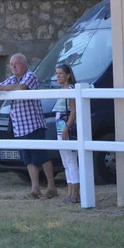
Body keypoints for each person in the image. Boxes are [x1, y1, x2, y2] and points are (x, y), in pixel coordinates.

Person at [0, 53, 58, 200]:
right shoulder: (11, 79)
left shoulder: (30, 76)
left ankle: (51, 187)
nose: (13, 67)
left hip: (34, 125)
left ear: (24, 64)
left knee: (42, 157)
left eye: (16, 64)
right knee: (29, 160)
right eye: (11, 64)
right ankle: (35, 189)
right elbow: (3, 87)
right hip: (20, 127)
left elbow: (21, 87)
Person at [53, 63, 79, 204]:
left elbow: (74, 111)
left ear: (68, 75)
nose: (58, 76)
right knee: (66, 162)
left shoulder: (70, 89)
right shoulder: (61, 90)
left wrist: (66, 128)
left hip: (67, 129)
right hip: (60, 129)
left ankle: (75, 194)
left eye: (60, 73)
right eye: (56, 73)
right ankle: (70, 194)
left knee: (71, 161)